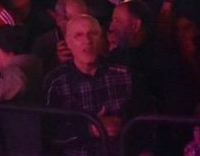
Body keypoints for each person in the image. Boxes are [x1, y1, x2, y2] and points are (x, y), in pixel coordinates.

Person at [44, 14, 133, 152]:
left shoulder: (123, 74)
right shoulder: (57, 82)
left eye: (93, 34)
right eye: (78, 35)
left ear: (102, 38)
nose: (87, 41)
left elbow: (142, 120)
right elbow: (49, 133)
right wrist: (90, 129)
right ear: (68, 43)